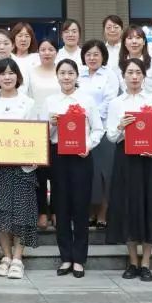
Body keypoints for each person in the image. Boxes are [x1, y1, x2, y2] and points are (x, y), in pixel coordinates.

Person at [105, 58, 152, 282]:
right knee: (127, 207)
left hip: (148, 159)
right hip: (125, 159)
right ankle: (132, 261)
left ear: (143, 76)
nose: (134, 76)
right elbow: (111, 136)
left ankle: (146, 263)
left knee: (149, 206)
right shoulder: (116, 103)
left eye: (138, 73)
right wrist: (120, 126)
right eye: (130, 72)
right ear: (123, 76)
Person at [0, 58, 41, 280]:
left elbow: (34, 133)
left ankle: (18, 258)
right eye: (3, 73)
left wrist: (34, 155)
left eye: (11, 73)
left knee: (21, 211)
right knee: (0, 211)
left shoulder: (28, 103)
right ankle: (5, 255)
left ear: (18, 77)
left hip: (22, 167)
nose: (7, 77)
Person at [45, 59, 104, 278]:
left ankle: (79, 258)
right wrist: (51, 124)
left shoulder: (87, 100)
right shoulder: (50, 101)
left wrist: (88, 146)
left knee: (80, 207)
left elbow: (98, 129)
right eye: (62, 73)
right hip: (58, 156)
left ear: (77, 76)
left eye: (70, 73)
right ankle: (66, 257)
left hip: (81, 156)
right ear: (57, 76)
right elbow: (44, 135)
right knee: (61, 207)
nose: (66, 77)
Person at [77, 40, 119, 229]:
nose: (92, 58)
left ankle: (103, 213)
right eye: (88, 54)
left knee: (105, 174)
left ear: (103, 56)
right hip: (81, 130)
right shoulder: (78, 73)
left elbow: (110, 101)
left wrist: (91, 116)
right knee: (88, 173)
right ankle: (89, 212)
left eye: (96, 54)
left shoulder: (110, 75)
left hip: (103, 128)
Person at [27, 38, 60, 230]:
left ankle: (55, 210)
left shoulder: (62, 71)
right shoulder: (30, 72)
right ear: (38, 52)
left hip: (59, 128)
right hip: (37, 127)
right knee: (38, 173)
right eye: (43, 49)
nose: (47, 52)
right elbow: (27, 98)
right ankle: (41, 211)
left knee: (57, 172)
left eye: (51, 49)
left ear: (56, 52)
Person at [118, 25, 152, 96]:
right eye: (130, 38)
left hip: (149, 102)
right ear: (124, 43)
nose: (134, 41)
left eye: (138, 38)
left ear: (144, 42)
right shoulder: (118, 66)